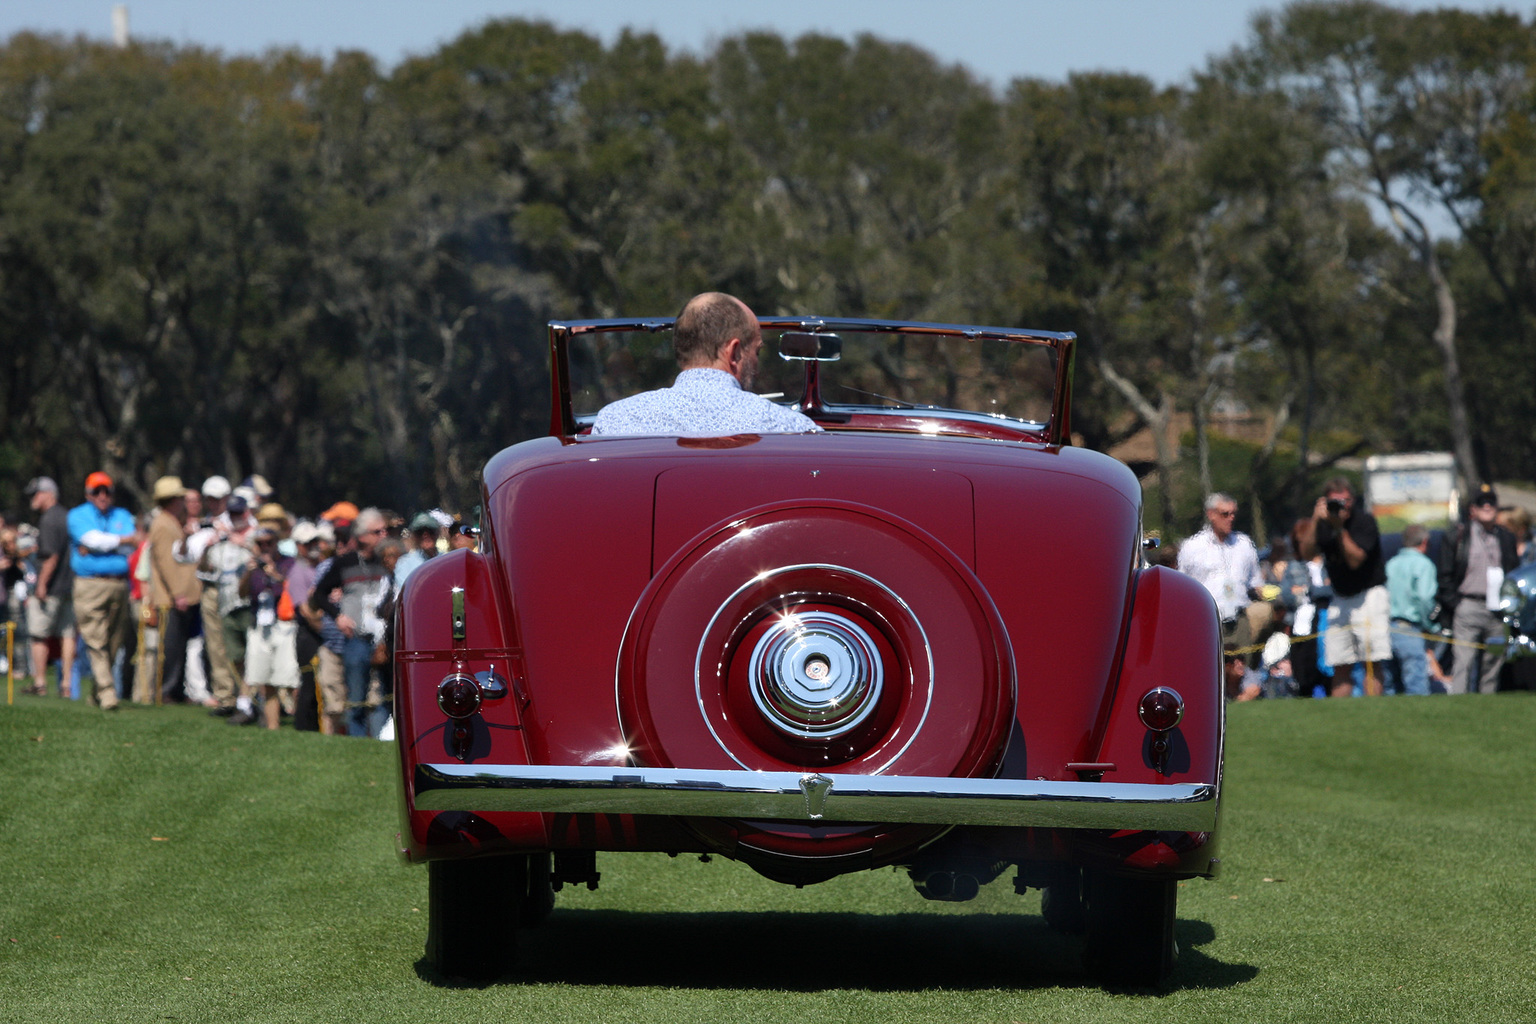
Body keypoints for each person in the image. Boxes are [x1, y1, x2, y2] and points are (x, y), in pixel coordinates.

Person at [591, 291, 822, 436]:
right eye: (757, 352)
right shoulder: (792, 429)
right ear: (734, 351)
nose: (758, 367)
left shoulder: (615, 422)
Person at [1297, 477, 1388, 697]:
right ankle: (1342, 717)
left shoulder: (1364, 521)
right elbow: (1306, 553)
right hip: (1340, 596)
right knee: (1339, 661)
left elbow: (1356, 559)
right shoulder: (1323, 523)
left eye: (1346, 501)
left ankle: (1374, 712)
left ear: (1353, 500)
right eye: (1335, 502)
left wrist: (1339, 530)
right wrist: (1316, 519)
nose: (1341, 507)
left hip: (1369, 595)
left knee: (1371, 660)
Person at [305, 507, 392, 737]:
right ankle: (357, 741)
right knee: (356, 697)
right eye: (378, 531)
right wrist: (337, 616)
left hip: (384, 639)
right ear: (363, 535)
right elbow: (319, 594)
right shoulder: (344, 563)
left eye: (386, 530)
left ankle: (380, 742)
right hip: (356, 639)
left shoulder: (388, 561)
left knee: (382, 696)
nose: (385, 535)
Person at [1437, 483, 1519, 695]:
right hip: (1468, 605)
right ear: (1472, 509)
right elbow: (1444, 575)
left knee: (1493, 662)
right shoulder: (1458, 535)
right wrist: (1456, 604)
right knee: (1464, 660)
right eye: (1482, 503)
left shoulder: (1506, 537)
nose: (1487, 506)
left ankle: (1487, 708)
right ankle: (1458, 704)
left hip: (1498, 609)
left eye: (1491, 502)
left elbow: (1514, 572)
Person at [66, 471, 136, 710]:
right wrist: (120, 541)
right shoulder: (77, 515)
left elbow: (129, 545)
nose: (103, 495)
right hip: (89, 584)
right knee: (95, 640)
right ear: (88, 494)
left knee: (114, 643)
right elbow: (93, 540)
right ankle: (108, 693)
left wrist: (103, 544)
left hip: (119, 584)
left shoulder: (123, 515)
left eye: (107, 490)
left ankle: (96, 693)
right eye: (97, 491)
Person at [1177, 493, 1266, 654]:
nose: (1230, 518)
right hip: (1208, 621)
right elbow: (1182, 588)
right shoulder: (1192, 547)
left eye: (1233, 514)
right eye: (1225, 514)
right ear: (1211, 514)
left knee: (1241, 669)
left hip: (1240, 619)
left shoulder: (1244, 544)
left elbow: (1256, 583)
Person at [147, 476, 201, 703]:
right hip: (171, 597)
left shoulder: (170, 521)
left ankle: (176, 689)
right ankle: (166, 689)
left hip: (178, 594)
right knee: (170, 646)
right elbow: (166, 563)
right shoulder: (163, 524)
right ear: (172, 500)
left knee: (178, 645)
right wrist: (178, 592)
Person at [241, 527, 299, 729]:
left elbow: (296, 589)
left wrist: (276, 575)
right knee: (265, 679)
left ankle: (302, 723)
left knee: (289, 677)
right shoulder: (253, 566)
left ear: (277, 543)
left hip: (284, 624)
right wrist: (248, 573)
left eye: (269, 542)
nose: (264, 547)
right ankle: (272, 726)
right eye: (260, 543)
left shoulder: (289, 563)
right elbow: (242, 593)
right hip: (260, 625)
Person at [24, 476, 74, 696]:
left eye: (36, 494)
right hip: (70, 586)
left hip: (52, 587)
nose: (32, 499)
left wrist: (41, 584)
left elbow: (51, 557)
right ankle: (66, 685)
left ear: (48, 494)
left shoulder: (49, 519)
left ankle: (40, 683)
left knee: (38, 634)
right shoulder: (67, 516)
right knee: (68, 634)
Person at [1383, 523, 1437, 696]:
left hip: (1387, 628)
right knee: (1416, 685)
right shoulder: (1424, 564)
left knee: (1390, 685)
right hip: (1410, 629)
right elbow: (1424, 598)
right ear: (1424, 542)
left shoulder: (1391, 563)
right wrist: (1429, 624)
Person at [394, 511, 444, 587]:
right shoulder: (404, 564)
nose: (425, 535)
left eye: (430, 531)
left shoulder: (447, 559)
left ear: (437, 533)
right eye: (420, 532)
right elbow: (406, 592)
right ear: (414, 537)